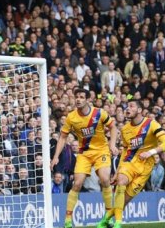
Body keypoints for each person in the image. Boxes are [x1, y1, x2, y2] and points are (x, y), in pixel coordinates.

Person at [97, 100, 165, 228]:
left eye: (131, 106)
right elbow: (126, 150)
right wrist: (118, 171)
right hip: (129, 162)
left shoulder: (151, 124)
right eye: (126, 106)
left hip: (146, 167)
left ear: (140, 110)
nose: (127, 108)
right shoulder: (125, 129)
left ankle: (106, 219)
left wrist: (150, 152)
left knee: (124, 200)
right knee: (121, 182)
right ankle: (118, 223)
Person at [51, 88, 117, 228]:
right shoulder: (71, 117)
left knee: (105, 179)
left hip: (101, 151)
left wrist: (112, 144)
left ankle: (108, 217)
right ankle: (68, 220)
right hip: (84, 154)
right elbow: (62, 137)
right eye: (77, 97)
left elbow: (113, 128)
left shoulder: (99, 113)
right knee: (77, 183)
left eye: (81, 97)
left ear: (87, 99)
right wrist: (56, 156)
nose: (78, 99)